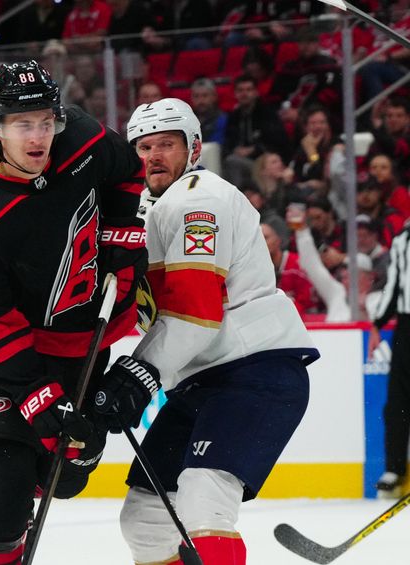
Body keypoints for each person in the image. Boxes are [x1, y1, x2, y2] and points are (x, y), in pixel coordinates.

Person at [0, 60, 147, 564]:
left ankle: (48, 470)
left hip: (86, 340)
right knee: (4, 495)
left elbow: (127, 173)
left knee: (67, 474)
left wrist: (121, 231)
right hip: (13, 355)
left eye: (46, 122)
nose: (39, 137)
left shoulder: (84, 138)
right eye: (22, 125)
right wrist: (37, 398)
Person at [97, 98, 318, 564]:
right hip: (200, 383)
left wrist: (138, 372)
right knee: (146, 519)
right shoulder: (143, 211)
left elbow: (196, 312)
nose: (152, 156)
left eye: (166, 145)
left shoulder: (200, 199)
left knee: (203, 496)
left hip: (254, 373)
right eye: (143, 147)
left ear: (193, 148)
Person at [368, 224, 410, 498]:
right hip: (407, 326)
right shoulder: (403, 239)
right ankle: (394, 467)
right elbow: (394, 284)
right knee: (398, 401)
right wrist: (377, 324)